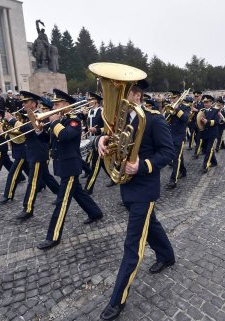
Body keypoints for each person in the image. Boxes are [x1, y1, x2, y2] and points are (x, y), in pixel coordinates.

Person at [97, 79, 175, 321]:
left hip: (144, 188)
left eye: (125, 92)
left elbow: (168, 153)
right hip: (127, 187)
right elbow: (112, 141)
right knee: (151, 224)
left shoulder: (153, 118)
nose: (118, 97)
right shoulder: (120, 120)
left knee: (133, 245)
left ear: (138, 95)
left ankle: (117, 300)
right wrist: (102, 141)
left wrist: (143, 165)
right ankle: (167, 256)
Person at [36, 89, 104, 250]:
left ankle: (53, 236)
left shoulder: (73, 120)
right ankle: (95, 213)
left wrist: (53, 122)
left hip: (70, 166)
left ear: (66, 105)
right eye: (53, 104)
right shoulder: (60, 119)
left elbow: (66, 136)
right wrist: (40, 130)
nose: (54, 107)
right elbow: (51, 139)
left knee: (62, 201)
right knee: (78, 193)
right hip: (63, 164)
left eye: (57, 104)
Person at [5, 91, 60, 219]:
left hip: (37, 153)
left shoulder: (41, 115)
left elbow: (27, 128)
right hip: (32, 152)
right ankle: (60, 193)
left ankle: (28, 208)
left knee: (33, 182)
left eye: (26, 102)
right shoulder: (28, 115)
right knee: (46, 176)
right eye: (23, 102)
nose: (23, 104)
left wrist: (12, 120)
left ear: (34, 104)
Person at [166, 91, 190, 189]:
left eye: (174, 98)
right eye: (171, 98)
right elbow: (166, 120)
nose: (172, 100)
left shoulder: (185, 107)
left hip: (180, 135)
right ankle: (183, 171)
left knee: (176, 157)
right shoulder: (169, 106)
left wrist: (177, 110)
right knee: (178, 155)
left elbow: (185, 119)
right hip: (171, 135)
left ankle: (173, 180)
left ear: (179, 98)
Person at [84, 92, 106, 194]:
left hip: (100, 140)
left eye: (90, 100)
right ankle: (114, 179)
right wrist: (84, 132)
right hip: (91, 139)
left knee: (96, 165)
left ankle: (88, 188)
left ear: (95, 101)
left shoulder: (102, 111)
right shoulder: (89, 111)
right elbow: (88, 125)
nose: (88, 102)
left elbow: (107, 127)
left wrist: (96, 131)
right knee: (103, 163)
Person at [198, 95, 221, 173]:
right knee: (205, 149)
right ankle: (214, 162)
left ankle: (206, 166)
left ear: (211, 102)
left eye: (207, 102)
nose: (205, 104)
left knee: (209, 150)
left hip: (212, 134)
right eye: (204, 102)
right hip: (204, 134)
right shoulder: (202, 111)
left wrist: (207, 122)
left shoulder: (215, 110)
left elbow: (217, 122)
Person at [190, 91, 204, 156]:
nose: (196, 97)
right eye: (195, 96)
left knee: (199, 137)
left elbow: (204, 113)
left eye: (197, 96)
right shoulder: (194, 103)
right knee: (195, 136)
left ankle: (197, 152)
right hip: (194, 122)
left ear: (200, 96)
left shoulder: (203, 103)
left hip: (200, 122)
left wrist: (196, 110)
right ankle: (201, 147)